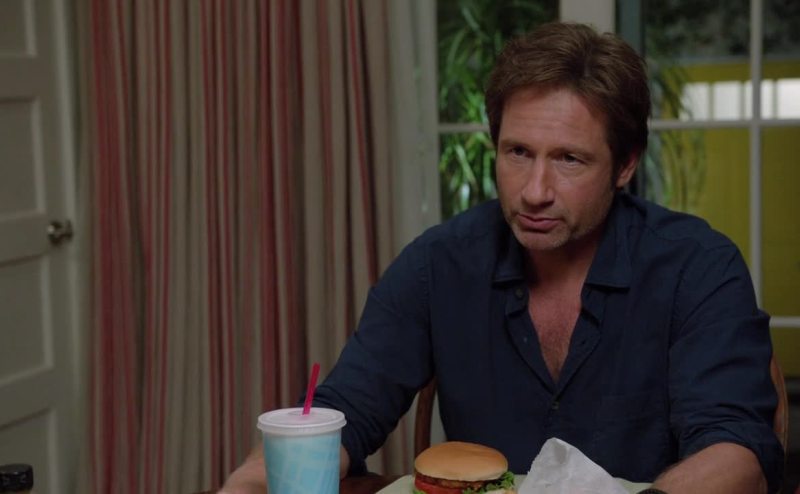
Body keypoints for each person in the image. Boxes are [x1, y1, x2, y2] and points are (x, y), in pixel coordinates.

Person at [221, 21, 784, 493]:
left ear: (625, 165)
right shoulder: (438, 263)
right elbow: (347, 409)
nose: (535, 191)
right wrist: (249, 480)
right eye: (518, 152)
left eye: (569, 159)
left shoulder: (697, 266)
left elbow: (737, 451)